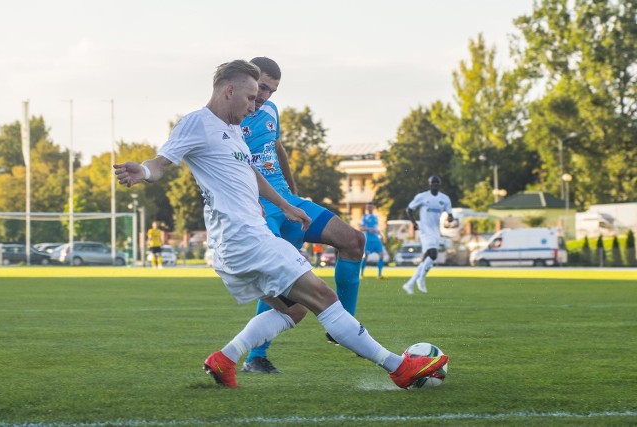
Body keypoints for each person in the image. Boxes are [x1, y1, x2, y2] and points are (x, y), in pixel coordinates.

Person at [113, 59, 447, 390]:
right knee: (324, 298)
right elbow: (160, 163)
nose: (254, 106)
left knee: (296, 310)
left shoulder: (231, 129)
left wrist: (287, 205)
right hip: (247, 240)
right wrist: (141, 172)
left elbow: (251, 173)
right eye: (250, 97)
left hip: (234, 247)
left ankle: (226, 358)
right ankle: (399, 367)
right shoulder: (196, 123)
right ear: (229, 91)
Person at [240, 57, 366, 373]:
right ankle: (255, 357)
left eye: (271, 90)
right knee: (279, 280)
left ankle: (343, 326)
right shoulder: (227, 118)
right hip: (258, 209)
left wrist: (293, 194)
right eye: (262, 88)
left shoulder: (269, 111)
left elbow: (276, 147)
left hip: (289, 202)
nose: (265, 96)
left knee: (353, 240)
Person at [402, 175, 455, 294]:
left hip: (436, 232)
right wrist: (414, 223)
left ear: (440, 185)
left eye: (437, 183)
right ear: (429, 184)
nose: (435, 185)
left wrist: (450, 219)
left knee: (427, 259)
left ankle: (410, 284)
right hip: (425, 231)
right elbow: (409, 209)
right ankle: (420, 278)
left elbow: (450, 214)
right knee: (433, 254)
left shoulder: (444, 199)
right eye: (433, 183)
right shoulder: (422, 197)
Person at [359, 203, 386, 279]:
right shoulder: (364, 217)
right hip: (368, 239)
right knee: (365, 256)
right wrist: (369, 229)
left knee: (381, 255)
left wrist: (381, 235)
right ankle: (361, 274)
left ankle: (379, 275)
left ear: (373, 207)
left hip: (376, 239)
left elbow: (376, 228)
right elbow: (361, 228)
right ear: (367, 208)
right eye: (369, 207)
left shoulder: (375, 217)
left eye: (371, 206)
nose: (370, 208)